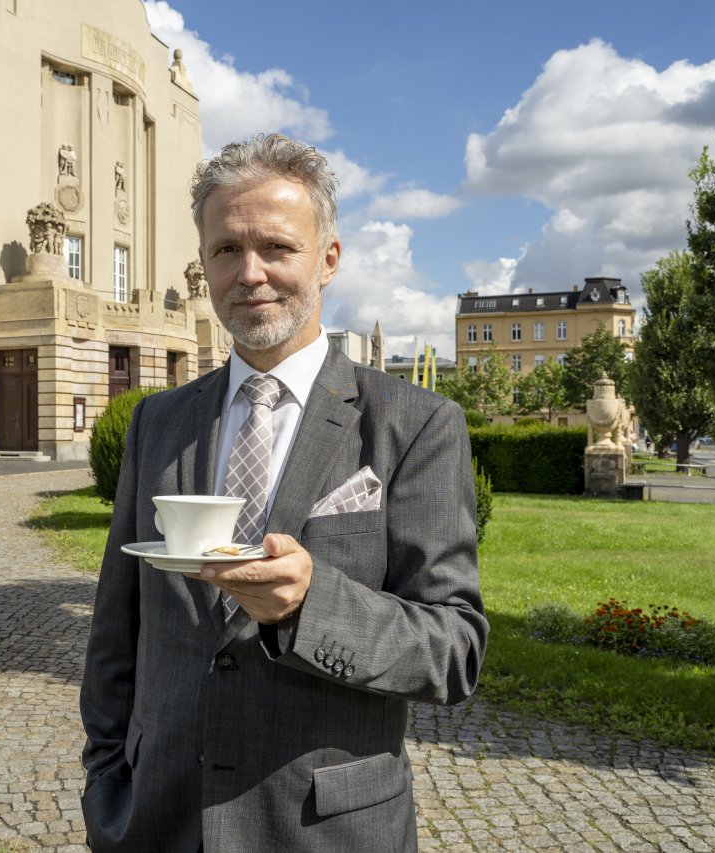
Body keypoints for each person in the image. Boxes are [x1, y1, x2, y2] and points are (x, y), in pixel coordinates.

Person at [79, 134, 488, 852]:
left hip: (325, 829)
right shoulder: (157, 423)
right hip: (157, 818)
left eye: (276, 247)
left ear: (328, 258)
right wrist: (106, 784)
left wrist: (308, 606)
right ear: (203, 262)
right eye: (226, 250)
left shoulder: (417, 425)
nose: (251, 273)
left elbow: (453, 650)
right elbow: (117, 632)